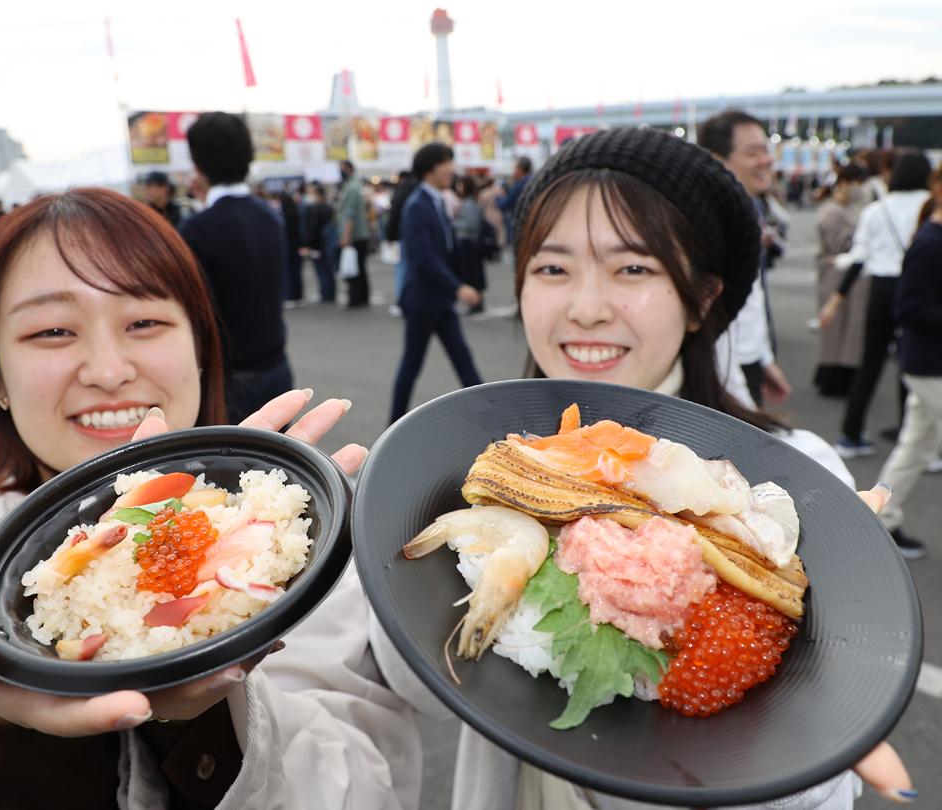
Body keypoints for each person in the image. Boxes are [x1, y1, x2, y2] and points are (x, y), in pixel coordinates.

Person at [371, 127, 915, 810]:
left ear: (704, 296)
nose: (586, 308)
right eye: (551, 268)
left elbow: (812, 767)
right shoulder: (479, 460)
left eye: (633, 269)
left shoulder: (800, 474)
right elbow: (413, 679)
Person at [0, 188, 422, 809]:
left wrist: (204, 718)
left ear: (202, 352)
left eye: (144, 323)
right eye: (51, 330)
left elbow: (372, 781)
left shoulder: (308, 552)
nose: (107, 368)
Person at [178, 112, 294, 423]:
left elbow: (200, 315)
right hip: (277, 366)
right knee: (286, 465)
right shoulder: (269, 216)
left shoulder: (197, 229)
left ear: (198, 165)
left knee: (235, 470)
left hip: (229, 380)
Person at [820, 150, 932, 465]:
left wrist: (836, 298)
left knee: (870, 363)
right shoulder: (930, 205)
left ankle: (850, 433)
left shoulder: (876, 209)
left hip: (880, 289)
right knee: (911, 366)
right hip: (916, 287)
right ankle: (910, 436)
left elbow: (859, 259)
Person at [871, 165, 942, 559]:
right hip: (928, 364)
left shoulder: (933, 237)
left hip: (928, 363)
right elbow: (909, 308)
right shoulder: (931, 243)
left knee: (915, 446)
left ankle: (883, 519)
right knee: (915, 446)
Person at [698, 111, 792, 408]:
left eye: (765, 150)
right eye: (753, 153)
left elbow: (753, 297)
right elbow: (711, 322)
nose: (766, 160)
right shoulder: (708, 224)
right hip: (724, 376)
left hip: (747, 360)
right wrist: (741, 402)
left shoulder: (748, 210)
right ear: (716, 158)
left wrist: (763, 357)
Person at [389, 143, 483, 423]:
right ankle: (393, 424)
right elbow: (424, 258)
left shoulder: (436, 200)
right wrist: (457, 287)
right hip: (422, 301)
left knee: (463, 360)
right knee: (411, 365)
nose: (452, 169)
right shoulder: (417, 204)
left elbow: (443, 252)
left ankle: (489, 413)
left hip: (439, 300)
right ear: (429, 168)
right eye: (446, 162)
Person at [814, 162, 870, 397]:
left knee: (846, 329)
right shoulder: (831, 211)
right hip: (834, 274)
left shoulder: (850, 208)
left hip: (847, 276)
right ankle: (831, 380)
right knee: (836, 330)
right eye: (858, 183)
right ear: (845, 183)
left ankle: (835, 377)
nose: (861, 189)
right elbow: (839, 244)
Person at [335, 159, 371, 308]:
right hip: (360, 234)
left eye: (341, 168)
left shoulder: (351, 188)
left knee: (354, 269)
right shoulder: (357, 185)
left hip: (354, 235)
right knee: (360, 268)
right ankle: (362, 297)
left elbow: (349, 216)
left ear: (348, 169)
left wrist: (345, 237)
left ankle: (355, 298)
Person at [385, 171, 419, 315]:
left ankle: (402, 302)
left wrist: (390, 236)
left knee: (402, 268)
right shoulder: (420, 190)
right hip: (418, 235)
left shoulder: (401, 192)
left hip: (402, 235)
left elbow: (393, 215)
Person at [453, 175, 487, 314]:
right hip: (470, 243)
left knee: (471, 275)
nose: (458, 187)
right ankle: (476, 302)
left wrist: (454, 223)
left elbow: (471, 224)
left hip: (468, 243)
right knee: (473, 275)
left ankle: (475, 302)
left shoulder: (468, 204)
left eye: (461, 185)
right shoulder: (471, 202)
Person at [302, 181, 339, 304]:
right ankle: (331, 294)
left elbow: (311, 229)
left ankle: (325, 294)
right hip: (329, 243)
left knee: (321, 271)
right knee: (329, 270)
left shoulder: (313, 209)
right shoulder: (329, 207)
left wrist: (308, 244)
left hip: (318, 244)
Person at [496, 156, 533, 245]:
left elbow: (504, 205)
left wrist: (498, 197)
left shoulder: (519, 186)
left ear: (520, 169)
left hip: (521, 228)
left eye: (515, 168)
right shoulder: (533, 181)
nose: (513, 172)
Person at [279, 184, 305, 306]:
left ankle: (290, 296)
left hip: (288, 245)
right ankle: (298, 296)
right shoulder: (296, 215)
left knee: (289, 271)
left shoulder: (284, 218)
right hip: (296, 244)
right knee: (296, 271)